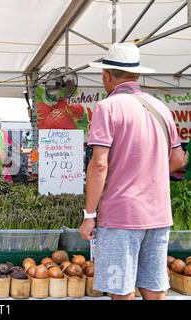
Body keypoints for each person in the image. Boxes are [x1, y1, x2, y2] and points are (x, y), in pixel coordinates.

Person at [79, 43, 185, 300]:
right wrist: (149, 174)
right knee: (154, 285)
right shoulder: (161, 108)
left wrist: (89, 214)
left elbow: (99, 165)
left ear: (107, 76)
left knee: (121, 288)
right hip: (159, 213)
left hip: (122, 215)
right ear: (136, 75)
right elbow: (179, 159)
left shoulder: (108, 107)